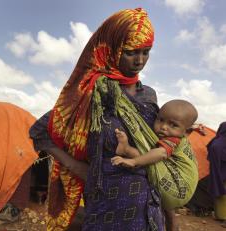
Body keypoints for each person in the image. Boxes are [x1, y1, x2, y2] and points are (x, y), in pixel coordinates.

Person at [30, 8, 167, 231]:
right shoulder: (90, 93)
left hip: (148, 203)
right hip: (105, 201)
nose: (140, 60)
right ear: (113, 49)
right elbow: (40, 131)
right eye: (131, 52)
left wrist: (170, 212)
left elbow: (160, 146)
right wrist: (76, 166)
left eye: (146, 52)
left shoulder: (148, 95)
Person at [111, 99, 198, 230]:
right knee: (150, 155)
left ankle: (127, 150)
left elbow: (161, 154)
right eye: (160, 120)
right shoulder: (176, 138)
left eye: (173, 125)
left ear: (187, 132)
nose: (163, 127)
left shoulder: (174, 140)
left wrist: (133, 161)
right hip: (178, 193)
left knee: (151, 157)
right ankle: (126, 149)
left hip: (177, 190)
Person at [207, 122, 226, 228]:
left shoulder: (216, 143)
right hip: (222, 172)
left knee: (221, 195)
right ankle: (221, 216)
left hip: (220, 173)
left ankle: (222, 216)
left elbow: (212, 158)